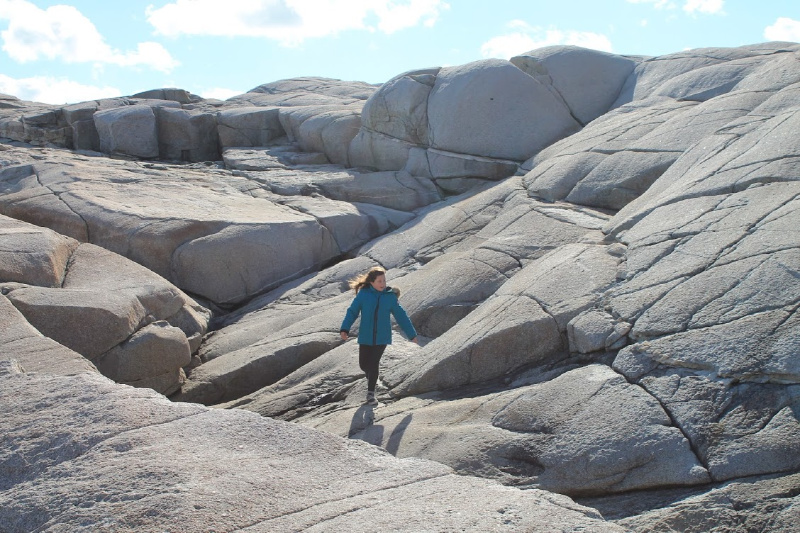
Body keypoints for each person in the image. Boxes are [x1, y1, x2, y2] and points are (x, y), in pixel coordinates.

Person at [340, 267, 418, 406]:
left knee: (373, 363)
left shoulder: (389, 297)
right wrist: (345, 328)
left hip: (382, 337)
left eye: (384, 280)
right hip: (365, 336)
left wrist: (412, 334)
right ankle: (371, 379)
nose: (383, 283)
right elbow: (352, 311)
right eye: (379, 281)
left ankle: (371, 394)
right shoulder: (364, 294)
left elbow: (401, 316)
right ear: (372, 282)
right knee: (364, 365)